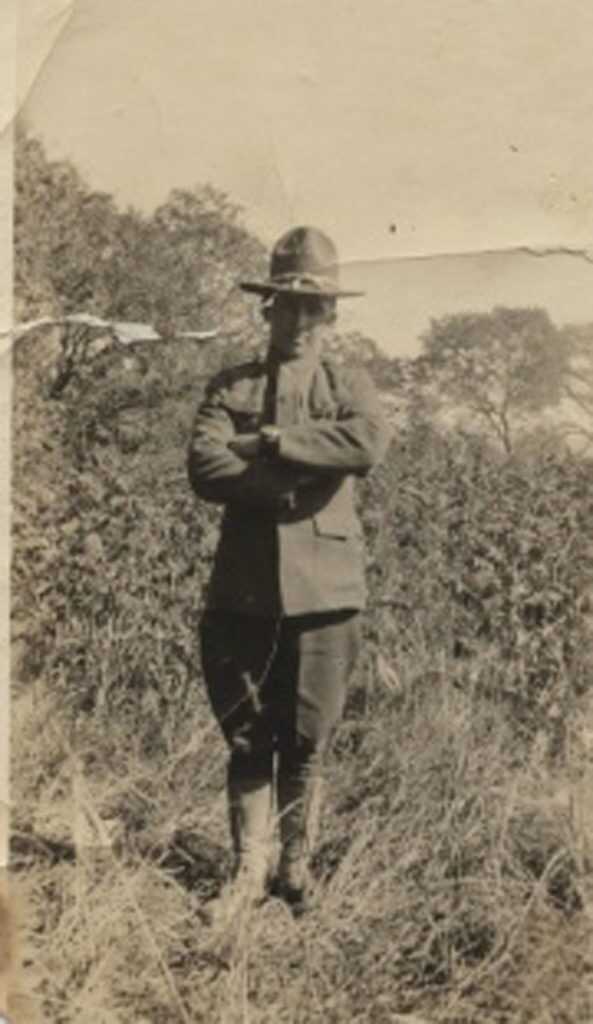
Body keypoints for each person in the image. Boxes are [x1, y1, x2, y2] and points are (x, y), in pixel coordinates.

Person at [187, 226, 391, 918]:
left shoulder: (350, 384)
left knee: (308, 737)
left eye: (315, 308)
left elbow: (363, 444)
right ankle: (249, 872)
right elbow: (206, 465)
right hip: (243, 590)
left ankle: (295, 872)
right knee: (246, 732)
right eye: (286, 306)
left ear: (330, 316)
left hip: (325, 594)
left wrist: (271, 441)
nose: (300, 321)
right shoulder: (231, 384)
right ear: (266, 309)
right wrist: (282, 486)